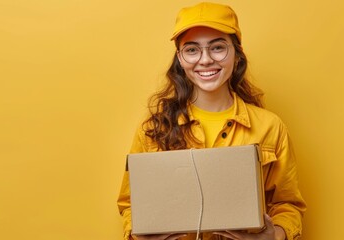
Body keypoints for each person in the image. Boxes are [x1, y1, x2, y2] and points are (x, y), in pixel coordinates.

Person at [117, 2, 306, 240]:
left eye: (217, 48)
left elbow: (288, 204)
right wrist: (138, 234)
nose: (205, 60)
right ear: (180, 58)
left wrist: (274, 235)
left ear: (237, 55)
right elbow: (130, 203)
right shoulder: (155, 127)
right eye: (192, 50)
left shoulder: (270, 127)